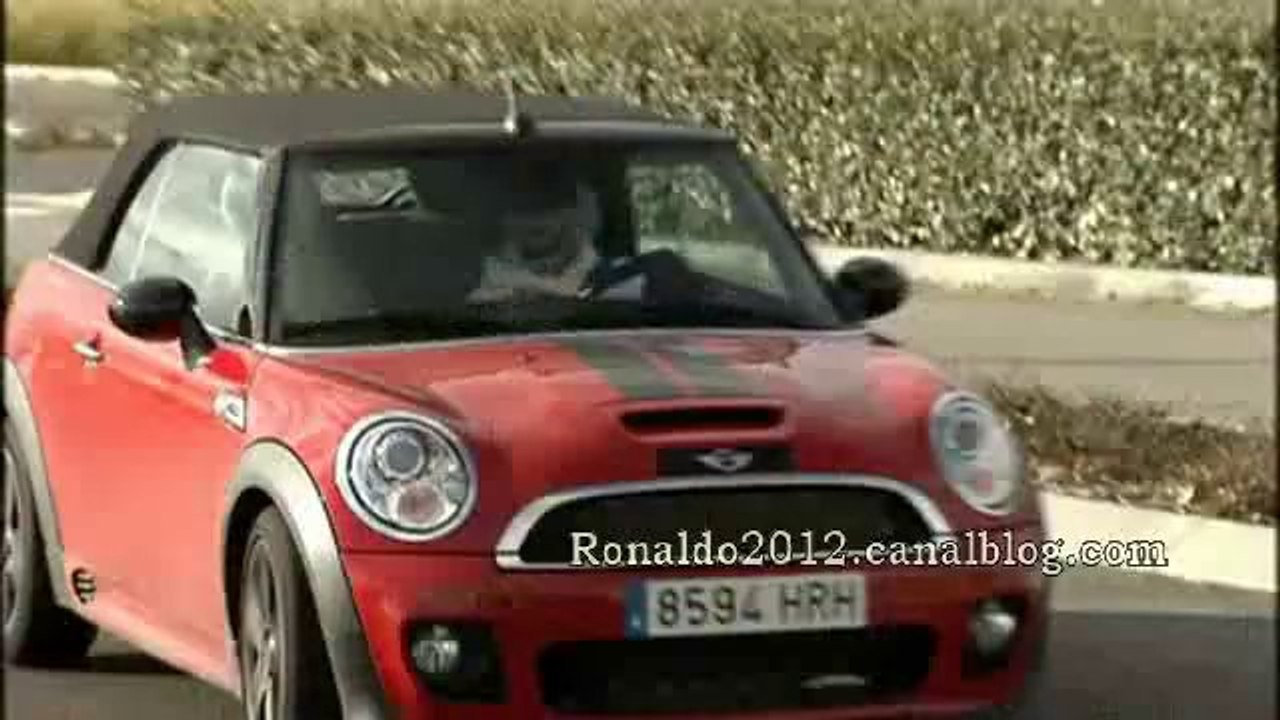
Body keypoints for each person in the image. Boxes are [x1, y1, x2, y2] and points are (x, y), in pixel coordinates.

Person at [468, 172, 603, 302]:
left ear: (567, 214)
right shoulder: (492, 279)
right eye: (522, 210)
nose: (536, 220)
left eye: (548, 207)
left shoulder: (601, 273)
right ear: (505, 220)